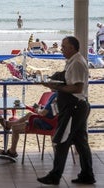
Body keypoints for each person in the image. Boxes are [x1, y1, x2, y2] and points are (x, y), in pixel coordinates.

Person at [37, 36, 96, 185]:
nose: (61, 49)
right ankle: (87, 174)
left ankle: (55, 175)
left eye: (64, 47)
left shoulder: (76, 63)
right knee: (81, 142)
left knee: (62, 140)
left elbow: (77, 87)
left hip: (74, 107)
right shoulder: (73, 61)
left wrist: (56, 87)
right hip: (79, 106)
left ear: (72, 48)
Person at [0, 92, 57, 157]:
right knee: (29, 114)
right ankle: (9, 124)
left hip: (46, 124)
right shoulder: (62, 96)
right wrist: (40, 109)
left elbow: (43, 113)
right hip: (54, 123)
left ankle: (12, 151)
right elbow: (51, 112)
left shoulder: (55, 96)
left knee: (15, 128)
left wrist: (37, 110)